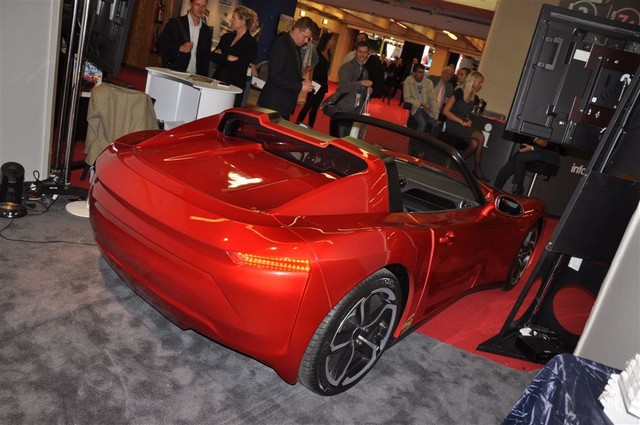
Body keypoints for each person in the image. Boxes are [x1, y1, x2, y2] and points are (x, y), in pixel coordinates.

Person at [257, 16, 318, 120]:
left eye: (308, 38)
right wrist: (299, 86)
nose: (306, 41)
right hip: (273, 103)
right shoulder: (281, 44)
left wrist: (302, 81)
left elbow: (290, 73)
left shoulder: (295, 46)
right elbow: (275, 76)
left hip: (283, 104)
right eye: (305, 36)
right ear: (297, 30)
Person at [442, 71, 488, 181]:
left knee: (475, 143)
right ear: (473, 82)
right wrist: (462, 122)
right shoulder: (459, 93)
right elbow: (445, 111)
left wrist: (467, 120)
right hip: (453, 124)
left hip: (463, 125)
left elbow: (466, 114)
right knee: (481, 136)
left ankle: (456, 165)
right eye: (480, 82)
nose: (481, 85)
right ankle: (477, 169)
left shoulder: (475, 98)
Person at [210, 6, 258, 107]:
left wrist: (222, 57)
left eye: (234, 18)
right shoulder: (226, 37)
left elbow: (241, 65)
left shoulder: (251, 43)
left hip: (234, 85)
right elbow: (213, 56)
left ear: (243, 21)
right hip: (217, 81)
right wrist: (228, 57)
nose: (231, 20)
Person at [155, 0, 212, 77]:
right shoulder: (175, 24)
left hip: (195, 78)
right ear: (190, 4)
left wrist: (203, 80)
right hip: (174, 73)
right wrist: (180, 48)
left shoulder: (207, 31)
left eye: (203, 6)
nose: (200, 8)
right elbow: (159, 44)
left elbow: (205, 59)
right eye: (197, 4)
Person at [330, 40, 373, 137]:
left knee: (347, 140)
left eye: (365, 52)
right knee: (338, 140)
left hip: (355, 110)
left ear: (368, 53)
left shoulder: (365, 71)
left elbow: (361, 91)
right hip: (343, 108)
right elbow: (344, 86)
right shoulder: (347, 67)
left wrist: (367, 91)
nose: (362, 55)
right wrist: (361, 83)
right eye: (360, 51)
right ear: (355, 52)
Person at [296, 32, 337, 128]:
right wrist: (310, 81)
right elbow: (312, 67)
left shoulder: (329, 54)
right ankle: (297, 124)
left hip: (323, 84)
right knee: (307, 106)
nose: (334, 42)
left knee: (315, 108)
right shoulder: (317, 52)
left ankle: (310, 127)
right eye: (333, 40)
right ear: (327, 40)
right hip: (315, 82)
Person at [494, 137, 561, 196]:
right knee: (505, 170)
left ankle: (519, 188)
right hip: (530, 152)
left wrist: (532, 148)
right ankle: (494, 192)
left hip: (548, 153)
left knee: (520, 157)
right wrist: (535, 140)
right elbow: (525, 135)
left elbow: (553, 144)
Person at [402, 63, 439, 134]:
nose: (422, 74)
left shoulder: (428, 82)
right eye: (419, 72)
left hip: (427, 109)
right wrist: (421, 104)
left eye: (423, 72)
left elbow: (433, 100)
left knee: (436, 125)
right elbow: (407, 98)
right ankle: (415, 141)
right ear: (414, 73)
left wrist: (436, 116)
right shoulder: (408, 81)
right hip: (416, 108)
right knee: (422, 124)